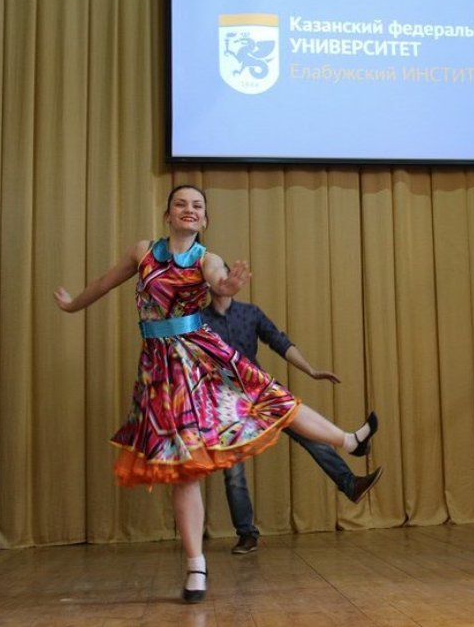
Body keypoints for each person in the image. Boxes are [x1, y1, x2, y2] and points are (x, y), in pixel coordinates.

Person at [54, 184, 379, 602]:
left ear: (204, 219)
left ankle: (349, 441)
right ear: (168, 214)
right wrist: (73, 305)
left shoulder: (206, 258)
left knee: (271, 398)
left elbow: (218, 281)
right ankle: (196, 567)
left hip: (202, 354)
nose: (189, 210)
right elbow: (104, 282)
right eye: (181, 204)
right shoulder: (143, 252)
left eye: (197, 206)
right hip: (163, 370)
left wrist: (226, 286)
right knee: (185, 467)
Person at [200, 289, 383, 555]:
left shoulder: (250, 313)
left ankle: (350, 483)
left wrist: (310, 370)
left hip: (262, 394)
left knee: (311, 436)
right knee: (234, 473)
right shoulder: (201, 321)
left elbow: (279, 341)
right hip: (229, 405)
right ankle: (247, 535)